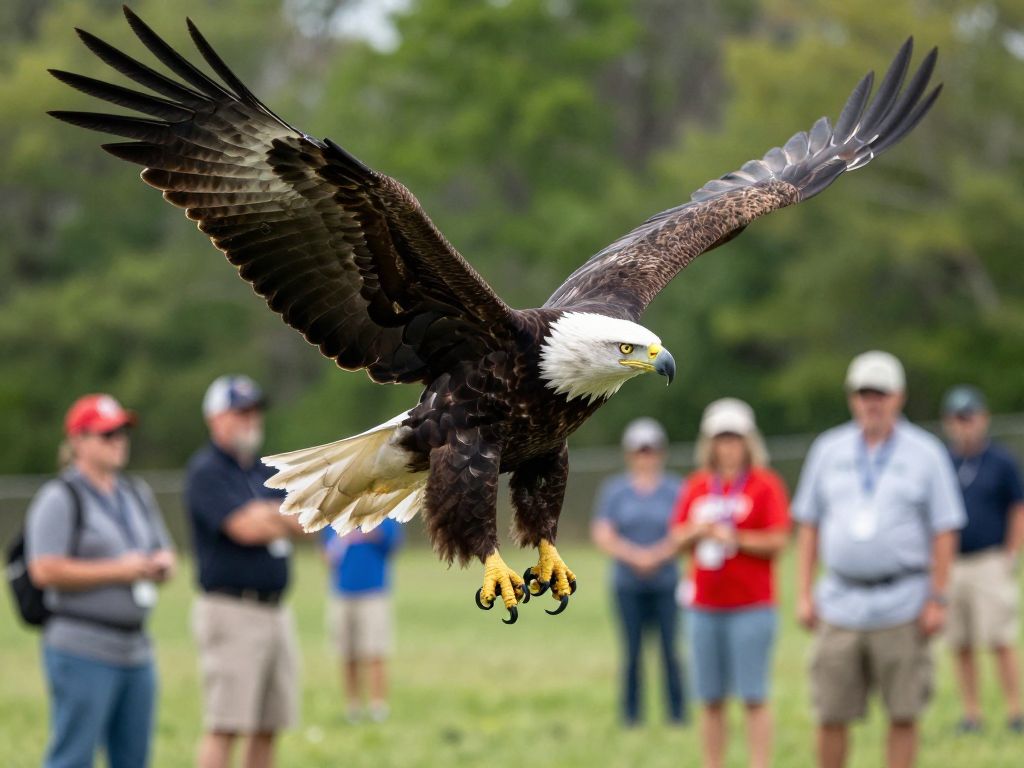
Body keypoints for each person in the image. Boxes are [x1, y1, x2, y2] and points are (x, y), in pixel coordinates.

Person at [793, 351, 966, 768]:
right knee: (830, 714)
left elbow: (945, 528)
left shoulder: (926, 453)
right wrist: (803, 593)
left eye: (881, 393)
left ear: (898, 397)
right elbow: (809, 524)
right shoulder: (828, 449)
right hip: (841, 603)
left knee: (904, 713)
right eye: (864, 393)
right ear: (852, 398)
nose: (872, 402)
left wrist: (937, 598)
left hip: (903, 604)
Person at [25, 393, 175, 768]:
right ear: (78, 441)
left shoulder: (135, 493)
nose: (118, 441)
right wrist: (119, 570)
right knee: (73, 757)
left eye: (122, 432)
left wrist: (160, 565)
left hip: (136, 649)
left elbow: (166, 551)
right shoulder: (59, 497)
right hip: (81, 647)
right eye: (106, 434)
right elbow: (43, 569)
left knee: (133, 759)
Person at [185, 374, 305, 768]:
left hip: (275, 610)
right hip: (232, 610)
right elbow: (244, 528)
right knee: (227, 723)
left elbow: (306, 521)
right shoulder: (206, 471)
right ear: (216, 418)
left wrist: (267, 513)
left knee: (268, 725)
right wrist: (274, 515)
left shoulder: (263, 470)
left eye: (254, 411)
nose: (251, 419)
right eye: (240, 412)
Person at [670, 398, 789, 768]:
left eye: (735, 438)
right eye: (721, 438)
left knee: (753, 694)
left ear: (748, 442)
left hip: (751, 606)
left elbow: (779, 540)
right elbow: (674, 539)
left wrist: (735, 539)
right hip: (704, 606)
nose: (728, 446)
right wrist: (697, 532)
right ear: (710, 443)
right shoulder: (697, 486)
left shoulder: (764, 486)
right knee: (710, 698)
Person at [591, 417, 686, 726]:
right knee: (631, 653)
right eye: (640, 450)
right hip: (628, 584)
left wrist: (658, 555)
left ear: (661, 452)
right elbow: (603, 532)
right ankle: (631, 717)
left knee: (670, 651)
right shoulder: (615, 490)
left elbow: (686, 530)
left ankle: (677, 715)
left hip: (667, 583)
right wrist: (635, 556)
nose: (646, 456)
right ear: (629, 454)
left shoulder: (675, 488)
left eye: (651, 449)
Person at [941, 385, 1024, 734]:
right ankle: (971, 713)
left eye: (970, 417)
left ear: (983, 419)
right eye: (958, 419)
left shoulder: (1001, 461)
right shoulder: (943, 462)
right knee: (960, 642)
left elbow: (1017, 507)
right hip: (951, 563)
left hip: (989, 559)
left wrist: (1012, 552)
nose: (965, 425)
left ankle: (1015, 710)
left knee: (999, 638)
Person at [321, 518, 403, 723]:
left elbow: (393, 545)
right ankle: (353, 707)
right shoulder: (335, 514)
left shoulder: (382, 512)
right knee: (347, 653)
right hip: (342, 592)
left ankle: (378, 706)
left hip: (374, 592)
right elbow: (327, 555)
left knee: (375, 651)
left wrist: (367, 533)